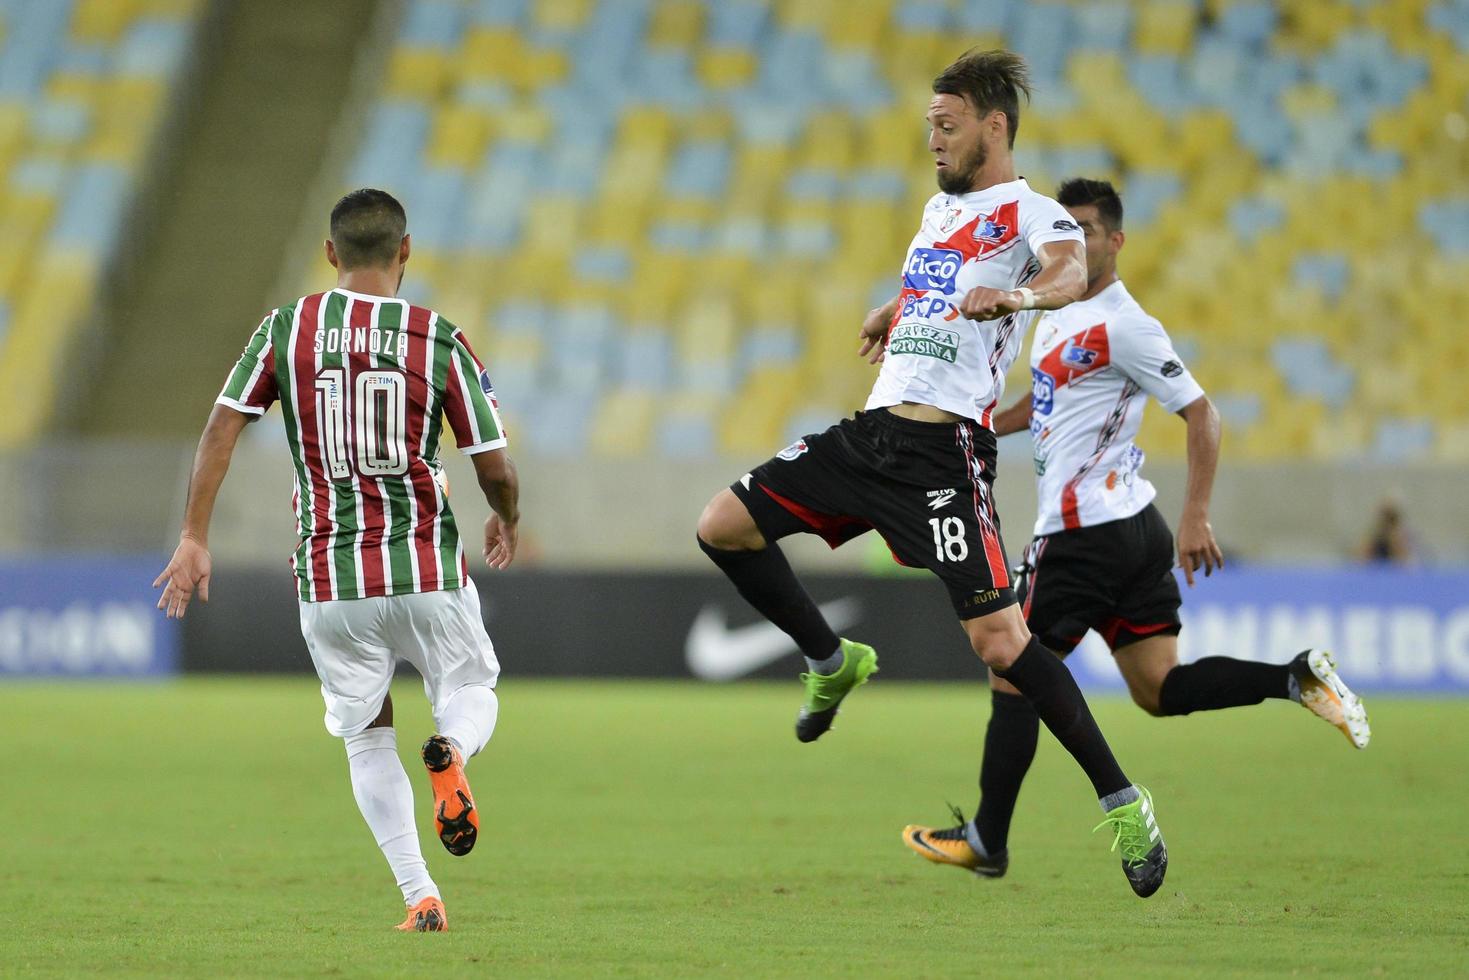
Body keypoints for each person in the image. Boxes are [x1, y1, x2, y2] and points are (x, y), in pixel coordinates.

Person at [695, 50, 1168, 898]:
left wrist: (1018, 302)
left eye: (946, 127)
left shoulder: (1035, 213)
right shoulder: (936, 209)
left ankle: (1123, 801)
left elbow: (1062, 273)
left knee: (1001, 643)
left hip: (942, 456)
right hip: (872, 434)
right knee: (721, 525)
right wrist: (898, 304)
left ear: (994, 127)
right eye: (928, 127)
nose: (933, 141)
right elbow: (941, 279)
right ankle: (830, 657)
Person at [901, 178, 1371, 881]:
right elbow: (1045, 399)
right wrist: (974, 425)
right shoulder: (1055, 310)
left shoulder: (1125, 324)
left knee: (1010, 672)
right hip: (1128, 530)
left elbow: (1202, 413)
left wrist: (1196, 514)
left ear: (1116, 240)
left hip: (1084, 533)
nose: (1076, 242)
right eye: (1068, 230)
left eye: (1089, 230)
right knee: (1157, 689)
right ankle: (1292, 677)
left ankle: (986, 838)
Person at [152, 189, 518, 932]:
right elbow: (494, 467)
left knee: (365, 733)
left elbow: (222, 427)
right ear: (406, 250)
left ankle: (421, 896)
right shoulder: (438, 338)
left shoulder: (286, 329)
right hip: (423, 567)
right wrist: (507, 520)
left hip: (330, 577)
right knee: (471, 684)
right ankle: (450, 749)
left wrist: (194, 533)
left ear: (329, 255)